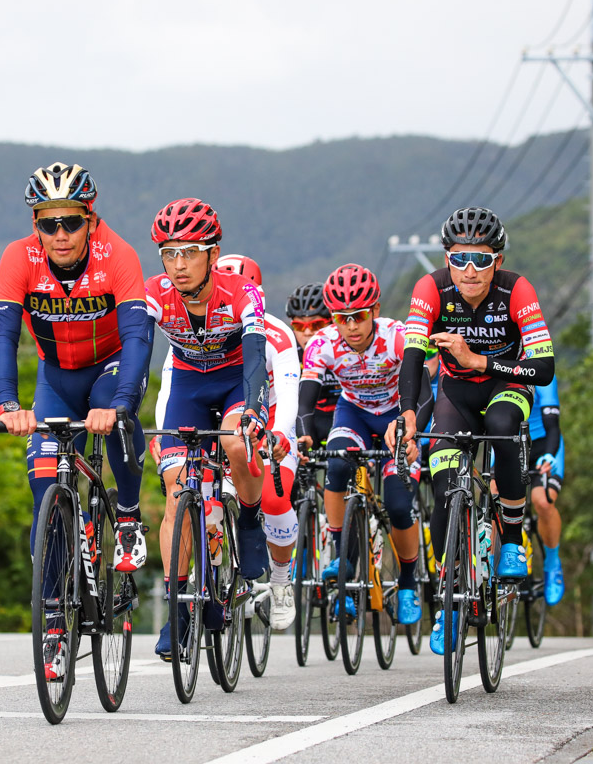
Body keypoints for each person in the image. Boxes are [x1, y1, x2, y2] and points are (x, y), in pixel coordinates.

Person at [0, 163, 152, 679]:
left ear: (90, 218)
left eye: (71, 223)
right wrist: (9, 406)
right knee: (44, 487)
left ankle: (126, 515)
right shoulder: (19, 257)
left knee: (121, 427)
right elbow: (3, 337)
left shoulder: (118, 255)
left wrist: (121, 402)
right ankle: (55, 622)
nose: (60, 235)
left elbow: (138, 339)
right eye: (47, 223)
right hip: (56, 377)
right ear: (35, 224)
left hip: (109, 368)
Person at [389, 206, 555, 656]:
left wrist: (479, 361)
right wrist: (406, 414)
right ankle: (447, 603)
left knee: (503, 426)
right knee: (444, 486)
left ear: (497, 261)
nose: (470, 271)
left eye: (481, 260)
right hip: (456, 395)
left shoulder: (516, 290)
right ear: (447, 258)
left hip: (508, 383)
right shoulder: (432, 288)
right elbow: (412, 358)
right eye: (460, 259)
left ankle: (514, 541)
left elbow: (543, 368)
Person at [144, 198, 269, 658]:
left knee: (237, 444)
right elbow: (137, 348)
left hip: (237, 383)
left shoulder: (242, 293)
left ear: (213, 255)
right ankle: (178, 610)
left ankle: (252, 519)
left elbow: (256, 355)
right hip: (189, 387)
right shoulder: (154, 291)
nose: (178, 264)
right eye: (169, 252)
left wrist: (255, 408)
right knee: (178, 492)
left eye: (190, 252)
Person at [155, 254, 301, 631]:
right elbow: (169, 387)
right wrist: (162, 434)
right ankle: (203, 584)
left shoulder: (276, 333)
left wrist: (281, 431)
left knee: (272, 497)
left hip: (261, 414)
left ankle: (281, 581)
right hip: (203, 406)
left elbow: (286, 390)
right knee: (189, 493)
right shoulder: (188, 332)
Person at [296, 264, 433, 627]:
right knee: (338, 463)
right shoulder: (323, 344)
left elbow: (424, 392)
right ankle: (340, 553)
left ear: (374, 310)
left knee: (400, 505)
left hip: (398, 415)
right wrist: (305, 433)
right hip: (354, 412)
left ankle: (406, 584)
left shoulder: (398, 336)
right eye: (342, 318)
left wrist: (411, 429)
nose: (352, 326)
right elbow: (306, 402)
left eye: (359, 316)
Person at [285, 283, 340, 447]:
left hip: (342, 414)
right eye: (299, 326)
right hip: (308, 417)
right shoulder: (287, 351)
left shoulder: (346, 346)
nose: (307, 332)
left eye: (316, 325)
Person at [529, 376, 566, 606]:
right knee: (493, 493)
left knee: (542, 501)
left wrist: (550, 454)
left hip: (544, 444)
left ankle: (552, 565)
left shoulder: (541, 372)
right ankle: (492, 560)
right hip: (510, 442)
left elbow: (553, 426)